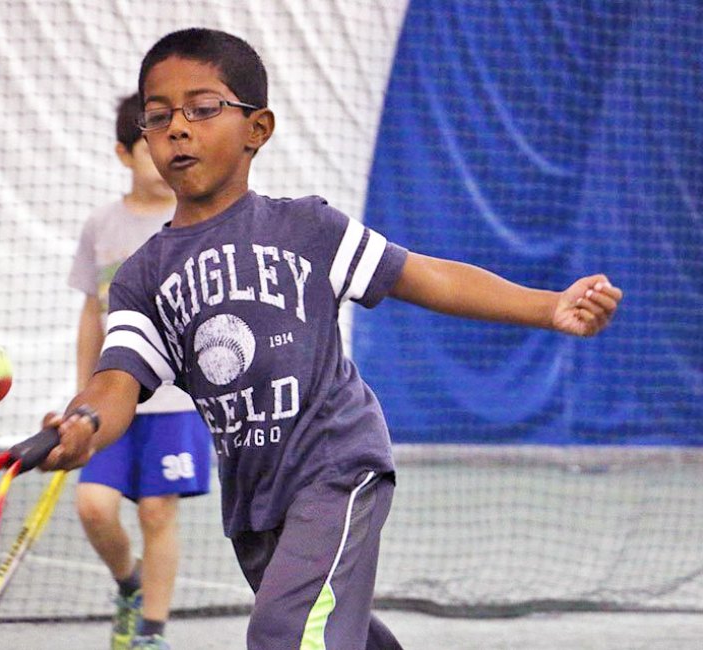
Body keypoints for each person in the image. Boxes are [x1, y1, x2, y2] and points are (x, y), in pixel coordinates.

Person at [39, 28, 623, 650]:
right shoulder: (142, 278)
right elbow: (116, 381)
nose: (178, 128)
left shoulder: (306, 227)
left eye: (204, 108)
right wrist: (84, 423)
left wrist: (549, 306)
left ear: (256, 128)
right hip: (252, 498)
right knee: (338, 632)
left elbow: (426, 277)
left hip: (336, 465)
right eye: (159, 117)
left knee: (285, 636)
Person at [67, 93, 212, 650]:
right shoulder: (101, 225)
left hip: (176, 403)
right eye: (151, 144)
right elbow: (90, 312)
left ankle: (151, 632)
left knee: (156, 510)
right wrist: (85, 391)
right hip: (111, 397)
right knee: (94, 506)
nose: (167, 155)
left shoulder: (196, 222)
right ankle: (128, 582)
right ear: (125, 153)